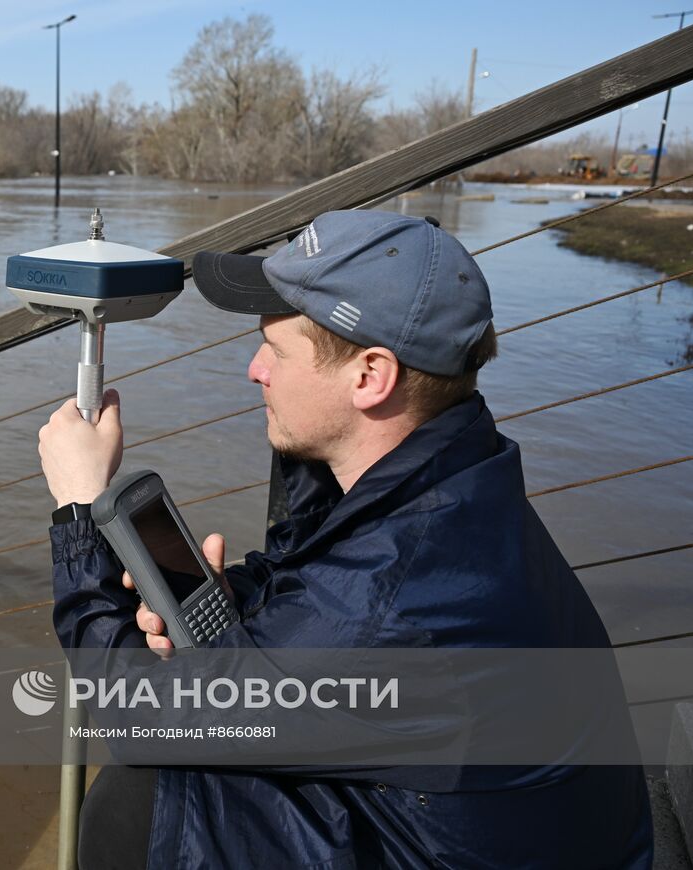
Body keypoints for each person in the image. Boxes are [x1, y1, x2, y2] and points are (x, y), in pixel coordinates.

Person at [37, 210, 653, 869]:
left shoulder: (391, 597)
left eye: (275, 351)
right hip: (515, 835)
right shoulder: (459, 479)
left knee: (144, 805)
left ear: (370, 377)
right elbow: (330, 594)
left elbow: (140, 721)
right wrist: (238, 606)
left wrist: (79, 511)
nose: (254, 370)